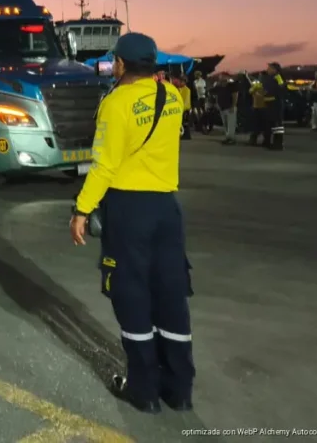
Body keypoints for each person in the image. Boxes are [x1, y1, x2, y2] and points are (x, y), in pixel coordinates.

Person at [69, 32, 193, 414]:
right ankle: (180, 389)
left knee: (132, 293)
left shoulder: (116, 104)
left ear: (120, 64)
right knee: (171, 294)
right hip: (167, 210)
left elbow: (104, 164)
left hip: (129, 209)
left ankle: (144, 390)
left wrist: (82, 209)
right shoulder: (170, 95)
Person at [259, 62, 286, 150]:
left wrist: (278, 79)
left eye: (270, 68)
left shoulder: (278, 77)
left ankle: (278, 144)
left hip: (276, 103)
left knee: (277, 125)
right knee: (267, 123)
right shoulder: (266, 78)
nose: (268, 69)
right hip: (267, 103)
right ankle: (266, 141)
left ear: (275, 69)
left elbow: (282, 87)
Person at [214, 75, 240, 144]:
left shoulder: (232, 86)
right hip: (222, 107)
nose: (222, 78)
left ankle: (231, 138)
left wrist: (233, 106)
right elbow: (217, 96)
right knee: (225, 124)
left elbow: (235, 96)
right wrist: (217, 104)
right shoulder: (219, 86)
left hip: (230, 107)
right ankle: (227, 137)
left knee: (231, 124)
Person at [175, 76, 192, 140]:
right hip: (181, 108)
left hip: (185, 108)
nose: (180, 83)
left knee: (185, 122)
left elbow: (186, 101)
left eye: (181, 82)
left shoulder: (187, 90)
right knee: (182, 122)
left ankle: (186, 135)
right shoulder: (179, 89)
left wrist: (183, 108)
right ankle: (183, 135)